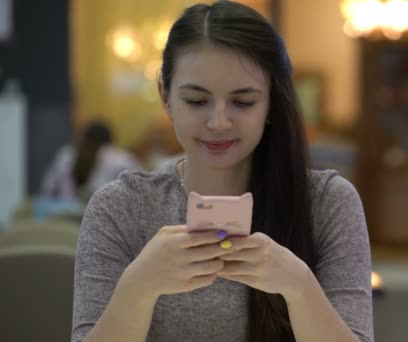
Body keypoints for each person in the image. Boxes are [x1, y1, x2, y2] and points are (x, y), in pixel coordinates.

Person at [71, 1, 373, 341]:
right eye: (197, 101)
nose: (218, 122)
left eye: (243, 102)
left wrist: (299, 287)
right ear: (166, 97)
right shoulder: (121, 208)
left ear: (272, 103)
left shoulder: (328, 203)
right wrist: (138, 288)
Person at [40, 120, 141, 202]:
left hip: (64, 217)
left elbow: (47, 190)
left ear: (83, 138)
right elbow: (140, 188)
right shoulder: (121, 159)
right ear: (110, 139)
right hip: (104, 216)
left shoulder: (66, 155)